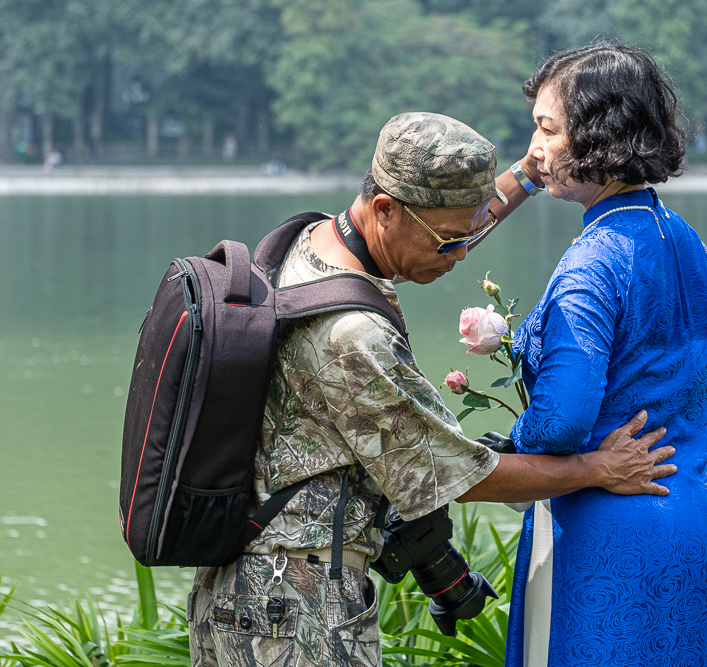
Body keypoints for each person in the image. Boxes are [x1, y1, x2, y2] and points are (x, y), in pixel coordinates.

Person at [187, 112, 677, 667]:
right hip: (293, 612)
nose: (462, 255)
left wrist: (528, 174)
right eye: (450, 243)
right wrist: (599, 469)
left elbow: (456, 223)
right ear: (384, 211)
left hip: (245, 594)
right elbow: (463, 475)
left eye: (467, 236)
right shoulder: (352, 338)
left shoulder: (313, 243)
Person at [503, 44, 707, 666]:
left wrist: (511, 453)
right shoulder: (683, 238)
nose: (535, 148)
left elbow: (562, 419)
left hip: (605, 529)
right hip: (691, 510)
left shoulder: (593, 261)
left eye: (547, 129)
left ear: (599, 135)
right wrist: (674, 449)